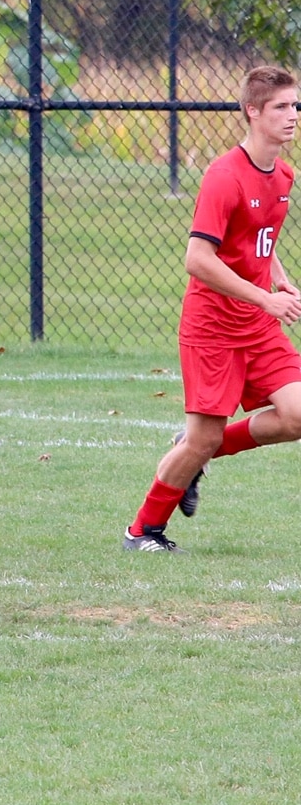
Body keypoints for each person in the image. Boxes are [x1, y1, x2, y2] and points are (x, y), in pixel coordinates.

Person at [124, 65, 301, 553]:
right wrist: (265, 296)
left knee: (298, 414)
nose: (292, 116)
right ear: (252, 112)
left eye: (295, 106)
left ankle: (192, 454)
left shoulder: (283, 173)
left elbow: (256, 236)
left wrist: (279, 278)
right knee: (201, 439)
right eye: (282, 107)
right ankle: (143, 530)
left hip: (258, 326)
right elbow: (197, 258)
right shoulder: (224, 176)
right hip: (214, 330)